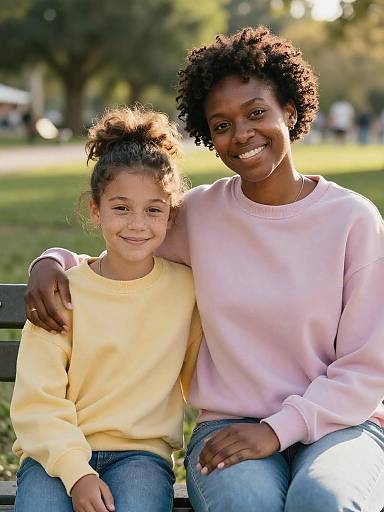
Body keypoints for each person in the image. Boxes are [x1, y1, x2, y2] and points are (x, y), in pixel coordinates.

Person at [25, 26, 384, 512]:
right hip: (228, 425)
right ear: (209, 137)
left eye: (257, 112)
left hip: (342, 425)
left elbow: (367, 367)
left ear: (291, 112)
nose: (242, 134)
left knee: (323, 499)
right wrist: (52, 260)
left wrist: (277, 431)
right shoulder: (199, 214)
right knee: (245, 505)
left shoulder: (354, 220)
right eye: (221, 125)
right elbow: (127, 243)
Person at [11, 106, 202, 512]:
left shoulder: (187, 291)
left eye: (154, 210)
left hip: (142, 456)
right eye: (121, 208)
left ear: (171, 216)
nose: (137, 224)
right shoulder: (62, 291)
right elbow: (36, 400)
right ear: (96, 210)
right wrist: (76, 472)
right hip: (54, 454)